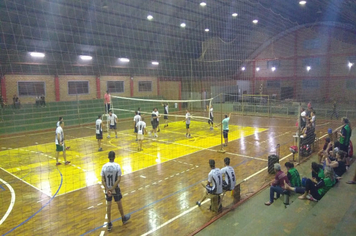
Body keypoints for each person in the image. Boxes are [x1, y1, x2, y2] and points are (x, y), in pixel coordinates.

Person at [101, 151, 131, 231]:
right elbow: (119, 179)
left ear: (108, 157)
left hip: (108, 189)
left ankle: (109, 223)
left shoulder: (104, 167)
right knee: (119, 203)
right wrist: (113, 188)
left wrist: (108, 189)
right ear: (114, 157)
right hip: (115, 189)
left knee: (108, 205)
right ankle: (123, 218)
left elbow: (102, 180)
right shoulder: (117, 166)